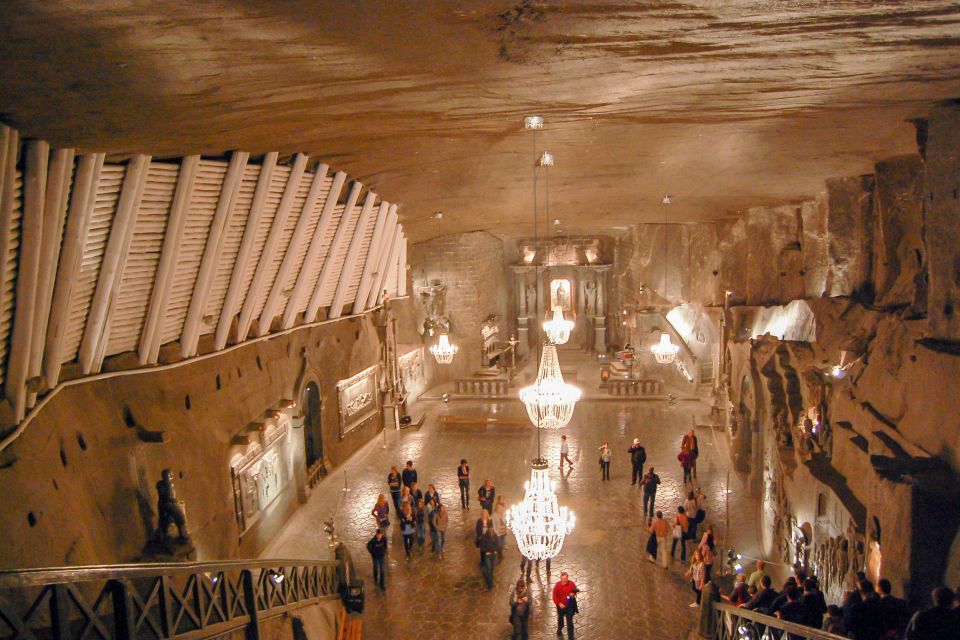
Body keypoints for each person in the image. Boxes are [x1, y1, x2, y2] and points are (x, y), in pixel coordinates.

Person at [552, 572, 578, 639]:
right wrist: (559, 603)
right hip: (560, 607)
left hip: (569, 606)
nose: (564, 580)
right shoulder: (557, 586)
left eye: (566, 578)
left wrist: (572, 595)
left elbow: (574, 593)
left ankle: (571, 637)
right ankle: (559, 629)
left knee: (570, 622)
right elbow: (554, 596)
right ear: (560, 579)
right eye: (563, 579)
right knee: (560, 619)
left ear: (567, 577)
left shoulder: (571, 584)